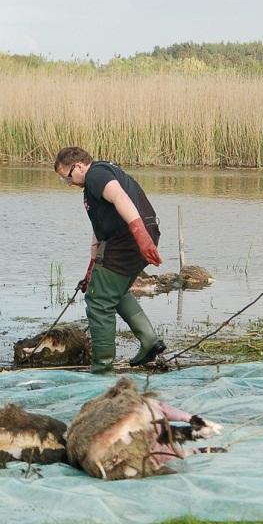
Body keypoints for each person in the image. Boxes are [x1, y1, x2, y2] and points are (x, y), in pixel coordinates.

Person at [54, 147, 164, 374]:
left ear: (79, 166)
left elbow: (119, 197)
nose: (70, 183)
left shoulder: (96, 175)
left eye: (68, 177)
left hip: (128, 241)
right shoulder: (100, 176)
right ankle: (150, 341)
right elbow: (100, 230)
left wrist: (140, 234)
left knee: (99, 301)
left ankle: (102, 367)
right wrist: (92, 267)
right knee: (115, 290)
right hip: (129, 240)